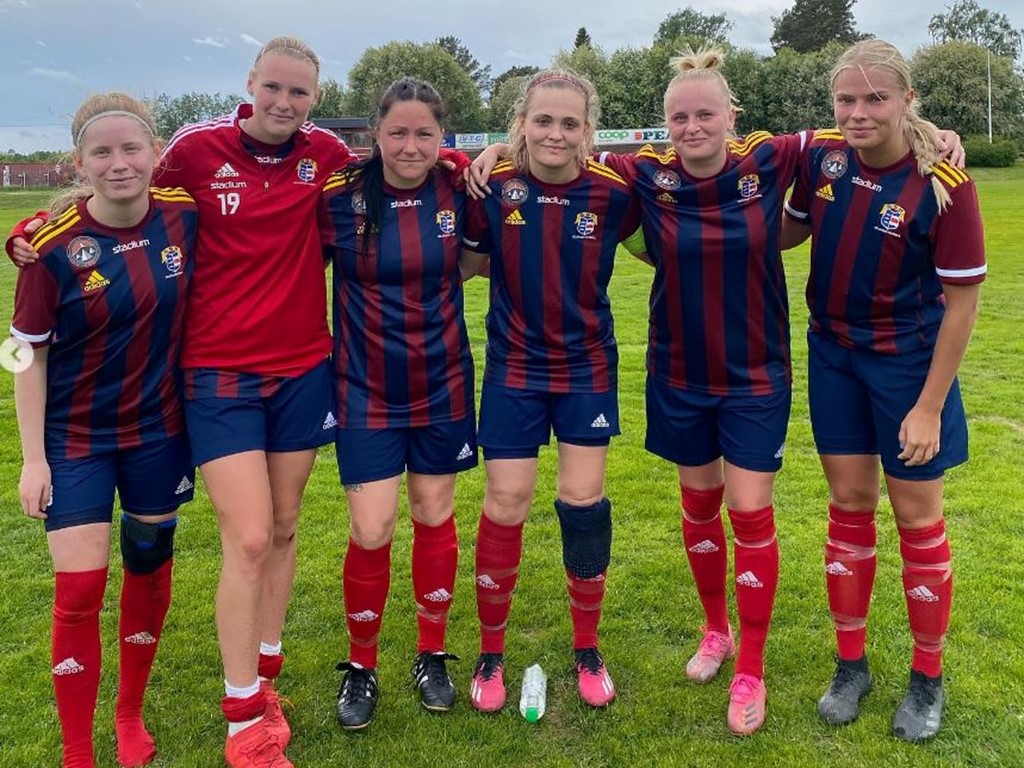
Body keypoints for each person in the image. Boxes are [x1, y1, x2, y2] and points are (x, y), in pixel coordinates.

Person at [781, 39, 985, 743]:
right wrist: (694, 227)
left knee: (917, 518)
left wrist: (928, 405)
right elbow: (787, 225)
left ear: (906, 101)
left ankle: (927, 678)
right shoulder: (822, 157)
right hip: (833, 355)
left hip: (907, 369)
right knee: (848, 505)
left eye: (875, 98)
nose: (859, 112)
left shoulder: (944, 185)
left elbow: (962, 306)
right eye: (847, 99)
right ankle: (851, 663)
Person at [11, 92, 198, 768]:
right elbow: (24, 352)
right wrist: (33, 461)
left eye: (131, 149)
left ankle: (128, 714)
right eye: (102, 152)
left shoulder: (185, 217)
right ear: (80, 163)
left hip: (159, 434)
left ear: (155, 155)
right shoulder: (50, 248)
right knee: (82, 589)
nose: (119, 163)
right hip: (76, 441)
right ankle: (75, 751)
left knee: (148, 570)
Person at [461, 68, 640, 714]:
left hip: (587, 366)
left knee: (582, 499)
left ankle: (587, 649)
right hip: (513, 366)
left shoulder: (618, 189)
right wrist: (489, 155)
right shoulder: (495, 186)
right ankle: (491, 652)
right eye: (544, 121)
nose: (556, 133)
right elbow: (469, 260)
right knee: (506, 500)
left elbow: (695, 161)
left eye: (570, 123)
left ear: (588, 130)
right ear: (523, 125)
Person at [318, 76, 478, 730]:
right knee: (372, 527)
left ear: (444, 139)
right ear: (375, 134)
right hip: (363, 388)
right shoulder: (340, 197)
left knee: (434, 513)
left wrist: (478, 162)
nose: (410, 146)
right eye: (397, 133)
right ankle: (361, 665)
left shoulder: (460, 190)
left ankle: (431, 653)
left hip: (442, 384)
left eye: (424, 134)